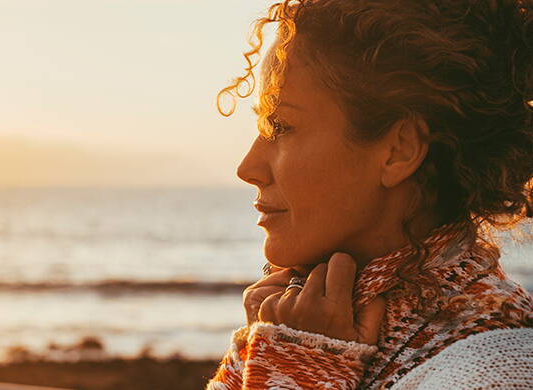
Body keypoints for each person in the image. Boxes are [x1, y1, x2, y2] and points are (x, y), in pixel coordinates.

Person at [206, 0, 533, 389]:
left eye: (281, 127)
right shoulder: (304, 327)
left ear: (399, 151)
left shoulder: (493, 372)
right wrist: (268, 355)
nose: (248, 168)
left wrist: (296, 372)